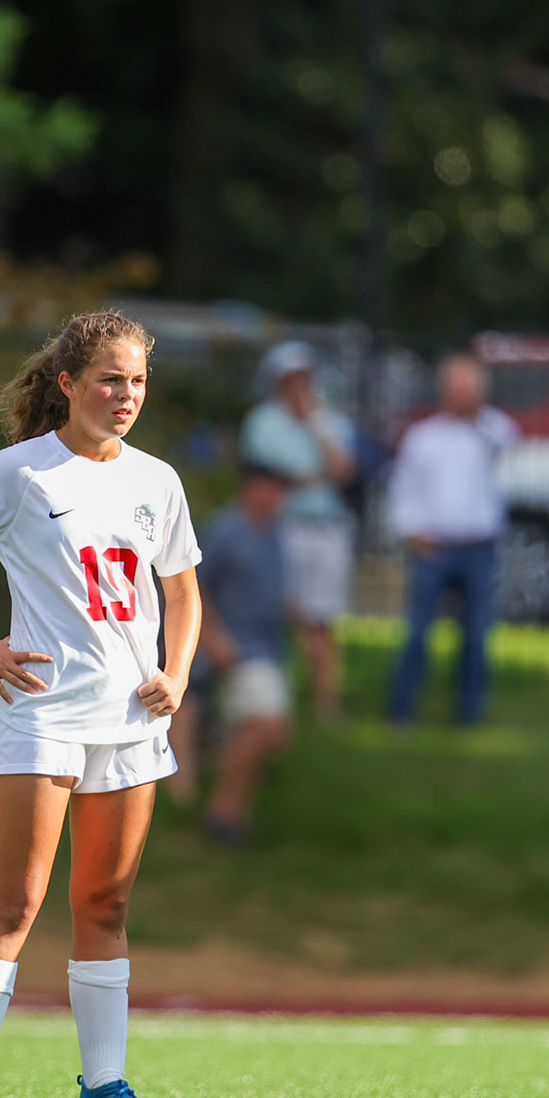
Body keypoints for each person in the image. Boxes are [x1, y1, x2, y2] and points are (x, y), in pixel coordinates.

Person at [0, 310, 201, 1098]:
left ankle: (103, 1089)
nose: (125, 394)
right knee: (18, 901)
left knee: (105, 903)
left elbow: (182, 591)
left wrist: (176, 671)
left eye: (136, 379)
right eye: (109, 378)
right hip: (42, 716)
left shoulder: (157, 480)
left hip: (130, 725)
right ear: (67, 384)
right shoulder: (20, 473)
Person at [385, 352, 520, 727]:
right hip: (433, 549)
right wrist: (412, 530)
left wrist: (477, 414)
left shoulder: (489, 431)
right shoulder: (423, 437)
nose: (462, 396)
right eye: (457, 387)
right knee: (417, 634)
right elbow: (403, 490)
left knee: (476, 636)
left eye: (469, 388)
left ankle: (470, 712)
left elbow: (510, 439)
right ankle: (401, 709)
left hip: (478, 547)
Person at [240, 340, 356, 722]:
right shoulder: (262, 422)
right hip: (284, 527)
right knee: (286, 611)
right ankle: (278, 696)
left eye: (304, 379)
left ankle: (326, 701)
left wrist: (316, 427)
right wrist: (311, 477)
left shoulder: (331, 420)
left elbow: (344, 471)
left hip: (326, 528)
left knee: (324, 618)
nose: (299, 387)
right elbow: (270, 479)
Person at [189, 465, 293, 846]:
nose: (276, 498)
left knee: (274, 737)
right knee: (266, 727)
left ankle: (215, 764)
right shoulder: (225, 530)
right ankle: (223, 814)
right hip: (237, 649)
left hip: (269, 649)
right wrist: (214, 639)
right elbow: (192, 585)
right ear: (250, 489)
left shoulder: (277, 534)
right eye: (270, 489)